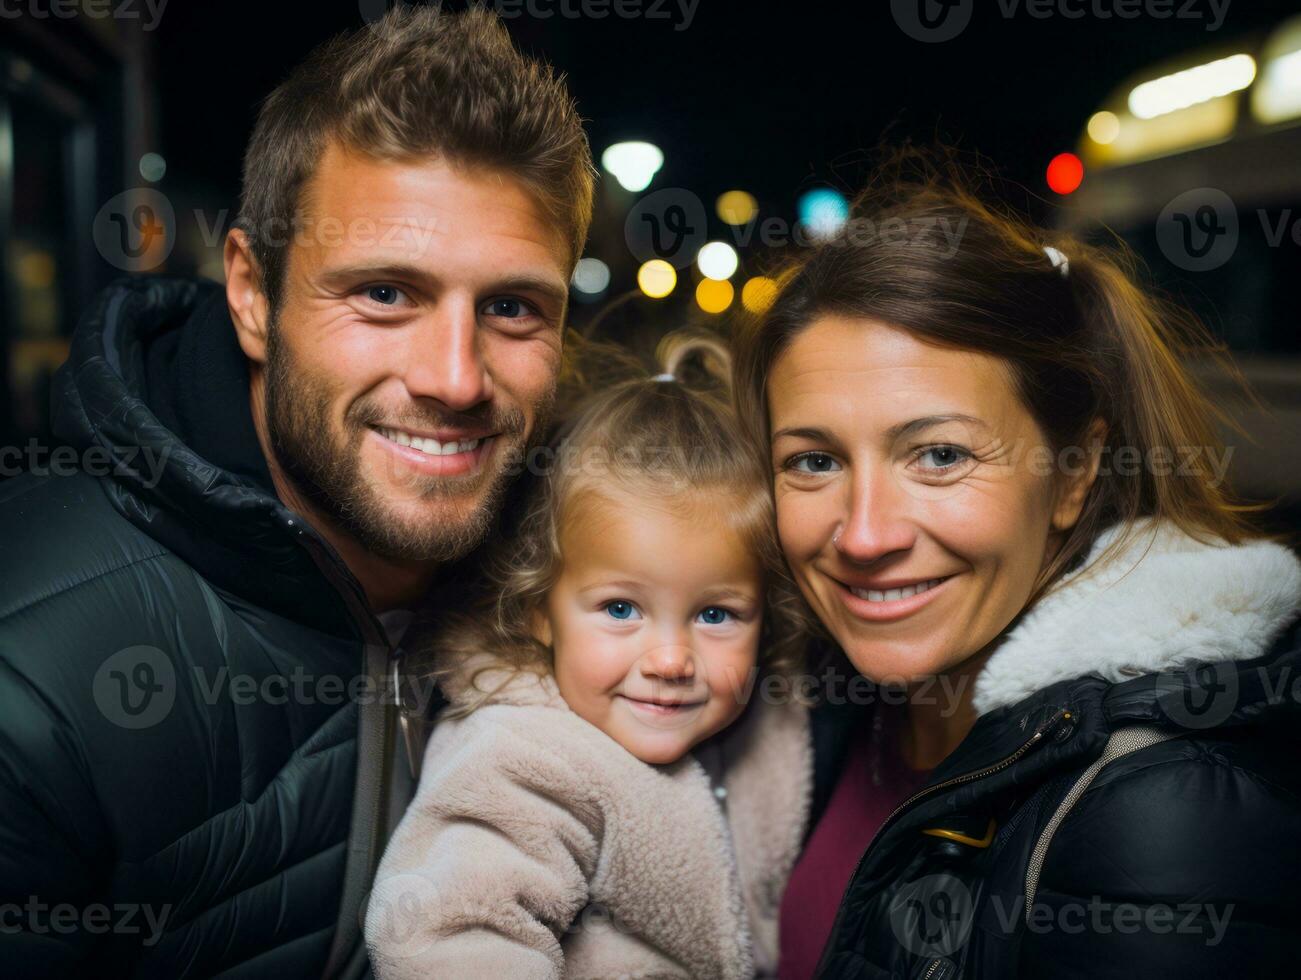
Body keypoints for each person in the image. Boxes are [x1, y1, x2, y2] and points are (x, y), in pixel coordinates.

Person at [0, 7, 594, 977]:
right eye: (385, 293)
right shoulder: (27, 681)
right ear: (249, 292)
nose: (454, 376)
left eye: (512, 307)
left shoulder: (592, 583)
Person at [732, 156, 1301, 979]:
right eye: (813, 462)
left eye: (938, 454)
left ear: (1072, 473)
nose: (862, 535)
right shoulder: (808, 707)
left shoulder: (1156, 807)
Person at [364, 334, 811, 979]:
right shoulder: (523, 757)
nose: (670, 660)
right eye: (621, 610)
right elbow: (448, 937)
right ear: (538, 610)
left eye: (715, 615)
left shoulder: (752, 733)